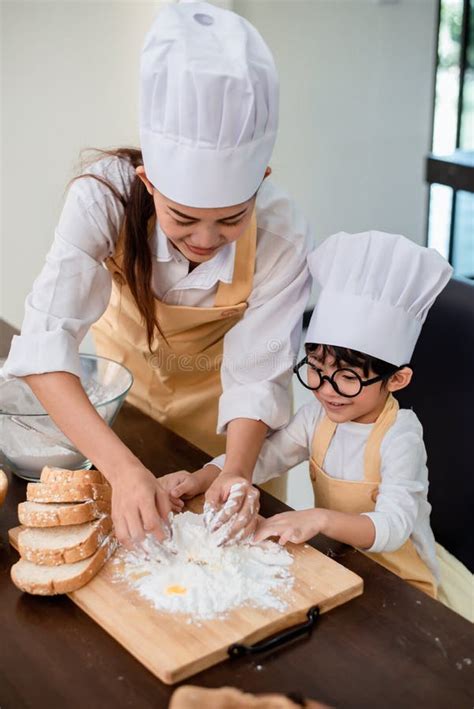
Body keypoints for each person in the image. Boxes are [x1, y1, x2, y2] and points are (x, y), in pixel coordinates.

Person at [1, 2, 311, 546]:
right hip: (118, 424)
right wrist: (122, 470)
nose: (206, 239)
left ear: (260, 181)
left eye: (232, 218)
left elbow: (260, 376)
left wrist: (235, 474)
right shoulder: (103, 198)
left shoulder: (280, 232)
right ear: (148, 183)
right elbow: (44, 349)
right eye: (183, 218)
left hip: (230, 439)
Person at [163, 230, 452, 597]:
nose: (326, 391)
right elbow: (266, 456)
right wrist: (202, 478)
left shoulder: (400, 437)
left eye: (348, 378)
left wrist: (318, 518)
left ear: (397, 379)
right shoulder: (318, 418)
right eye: (316, 370)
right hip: (344, 562)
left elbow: (395, 525)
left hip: (402, 583)